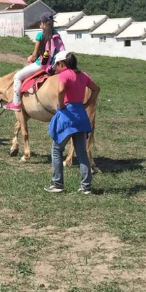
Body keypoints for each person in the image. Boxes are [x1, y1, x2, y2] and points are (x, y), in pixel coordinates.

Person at [45, 51, 99, 194]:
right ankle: (86, 187)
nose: (55, 68)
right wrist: (87, 103)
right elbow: (96, 88)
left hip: (67, 116)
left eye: (56, 65)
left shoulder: (64, 75)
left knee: (56, 150)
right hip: (81, 115)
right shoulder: (83, 75)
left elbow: (61, 89)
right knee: (82, 153)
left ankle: (57, 184)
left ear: (62, 64)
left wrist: (61, 104)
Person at [4, 12, 65, 111]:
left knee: (18, 76)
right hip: (57, 66)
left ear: (43, 23)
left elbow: (35, 55)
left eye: (41, 22)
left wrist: (30, 58)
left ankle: (16, 103)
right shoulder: (57, 34)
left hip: (42, 64)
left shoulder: (40, 35)